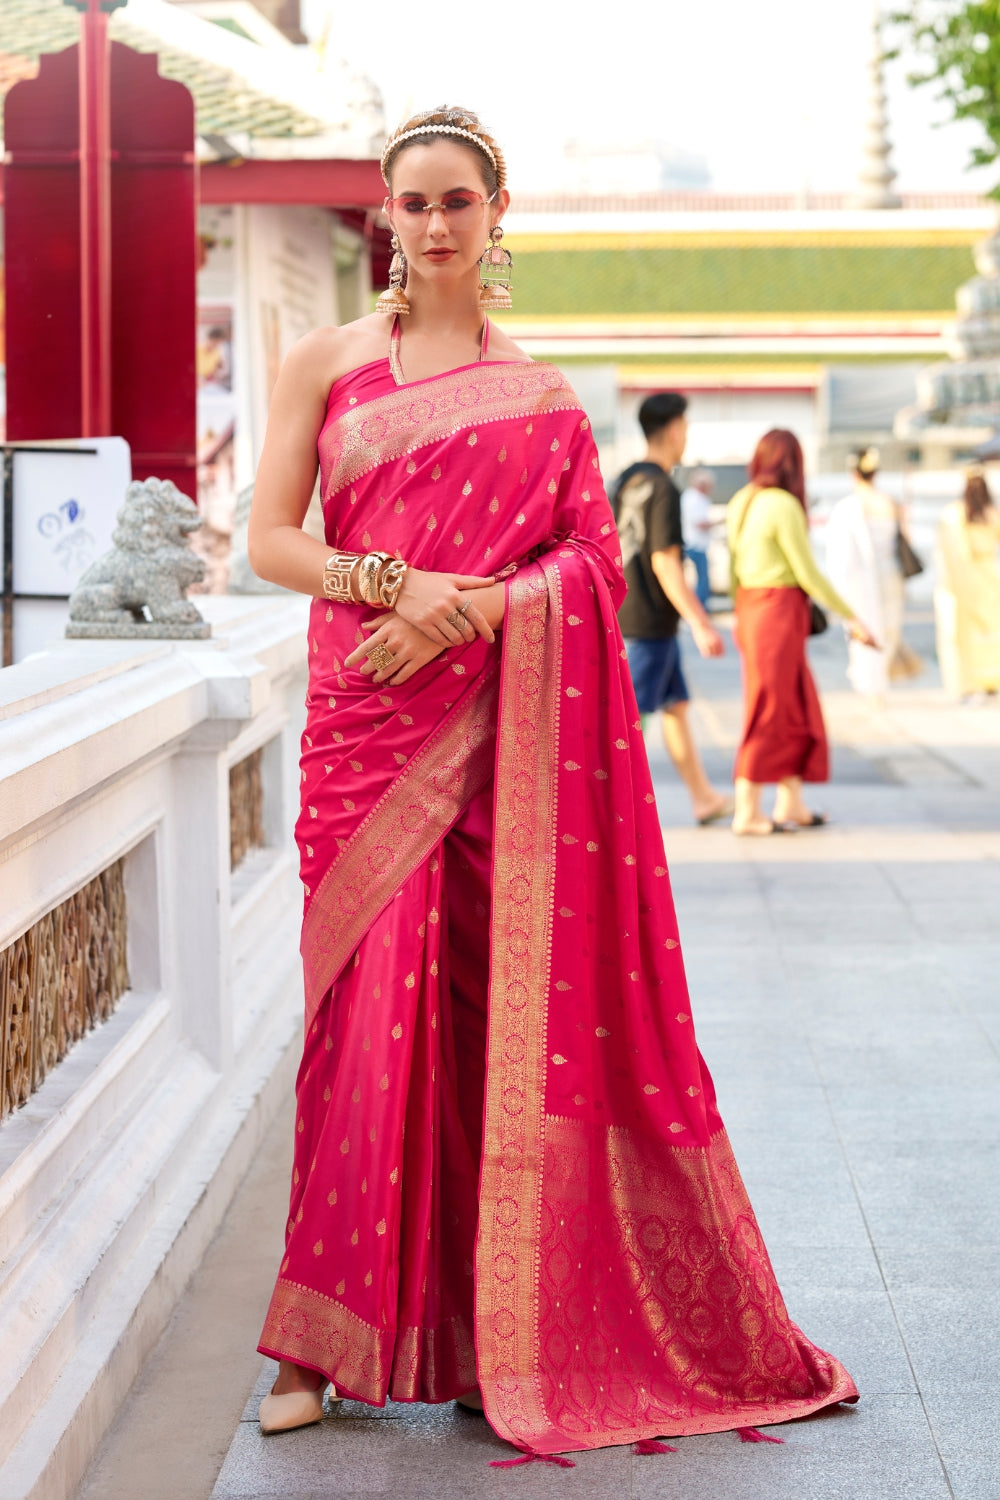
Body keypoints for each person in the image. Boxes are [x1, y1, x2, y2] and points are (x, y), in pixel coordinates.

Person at [246, 106, 857, 1462]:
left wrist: (467, 617)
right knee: (358, 1032)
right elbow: (271, 542)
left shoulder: (541, 397)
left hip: (493, 749)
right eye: (415, 203)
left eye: (460, 200)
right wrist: (385, 585)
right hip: (364, 734)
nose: (438, 223)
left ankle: (484, 1334)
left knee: (487, 1034)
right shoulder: (326, 367)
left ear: (499, 210)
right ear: (384, 216)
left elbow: (589, 562)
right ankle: (313, 1344)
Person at [727, 429, 876, 836]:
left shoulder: (743, 500)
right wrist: (852, 616)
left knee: (792, 701)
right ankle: (747, 809)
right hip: (777, 611)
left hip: (753, 608)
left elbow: (733, 568)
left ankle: (791, 801)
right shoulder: (782, 505)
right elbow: (807, 571)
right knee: (770, 707)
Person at [611, 395, 732, 826]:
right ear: (676, 429)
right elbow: (665, 560)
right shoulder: (663, 486)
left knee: (676, 705)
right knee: (628, 727)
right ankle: (611, 817)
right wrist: (701, 622)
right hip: (650, 621)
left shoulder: (623, 479)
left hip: (624, 609)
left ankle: (704, 798)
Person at [825, 447, 916, 702]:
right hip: (891, 574)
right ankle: (879, 680)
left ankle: (870, 683)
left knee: (863, 627)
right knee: (888, 627)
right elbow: (905, 540)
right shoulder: (889, 502)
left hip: (861, 576)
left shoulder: (847, 506)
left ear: (854, 474)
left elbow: (839, 554)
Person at [935, 466, 1000, 700]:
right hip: (988, 578)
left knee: (965, 634)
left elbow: (948, 552)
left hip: (964, 579)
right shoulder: (992, 513)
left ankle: (970, 682)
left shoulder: (954, 513)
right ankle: (990, 681)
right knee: (989, 631)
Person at [680, 466, 715, 607]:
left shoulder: (700, 498)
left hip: (698, 545)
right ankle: (699, 609)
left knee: (702, 581)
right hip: (693, 545)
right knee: (701, 581)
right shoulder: (692, 498)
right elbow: (699, 523)